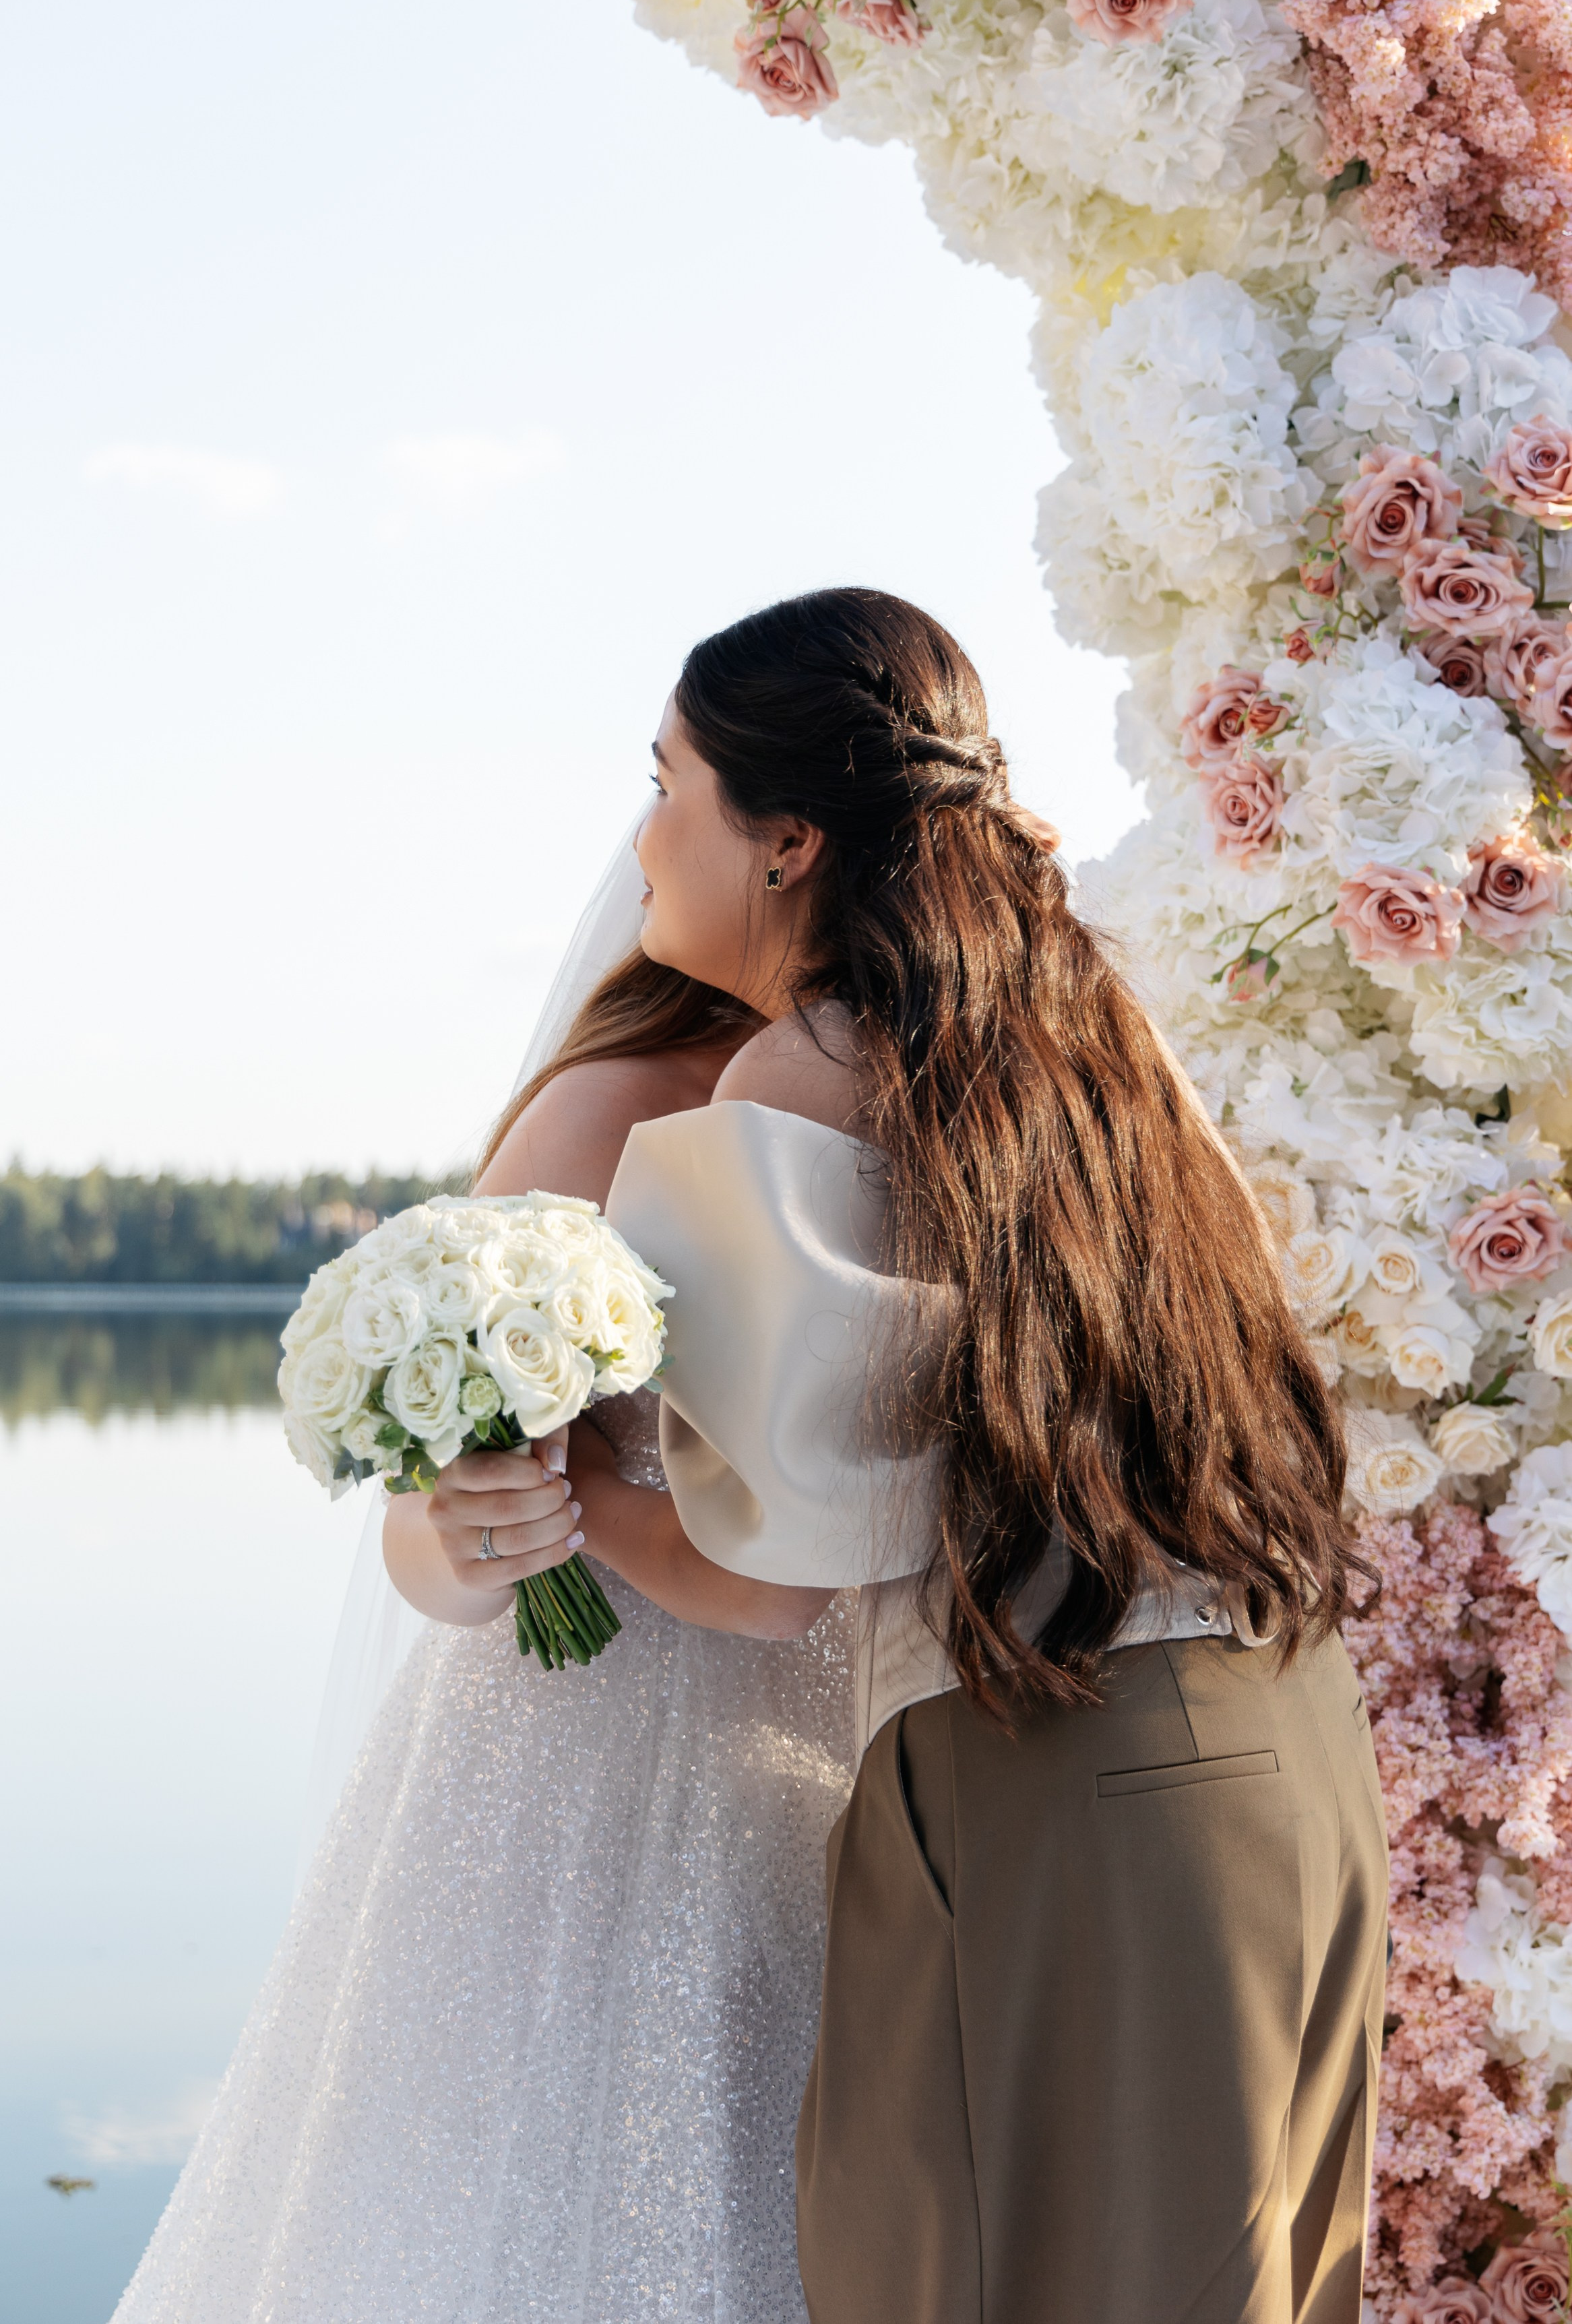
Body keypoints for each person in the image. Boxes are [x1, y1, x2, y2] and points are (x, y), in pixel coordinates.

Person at [424, 584, 1383, 2324]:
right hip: (1274, 1738)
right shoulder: (1078, 1040)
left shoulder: (801, 1072)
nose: (639, 836)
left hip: (1059, 1770)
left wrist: (558, 1474)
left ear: (783, 838)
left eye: (665, 780)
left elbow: (763, 1575)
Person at [111, 842, 856, 2324]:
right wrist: (471, 1527)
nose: (648, 841)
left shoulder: (910, 1080)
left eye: (672, 794)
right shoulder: (605, 1103)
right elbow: (427, 1521)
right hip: (561, 1767)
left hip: (814, 1739)